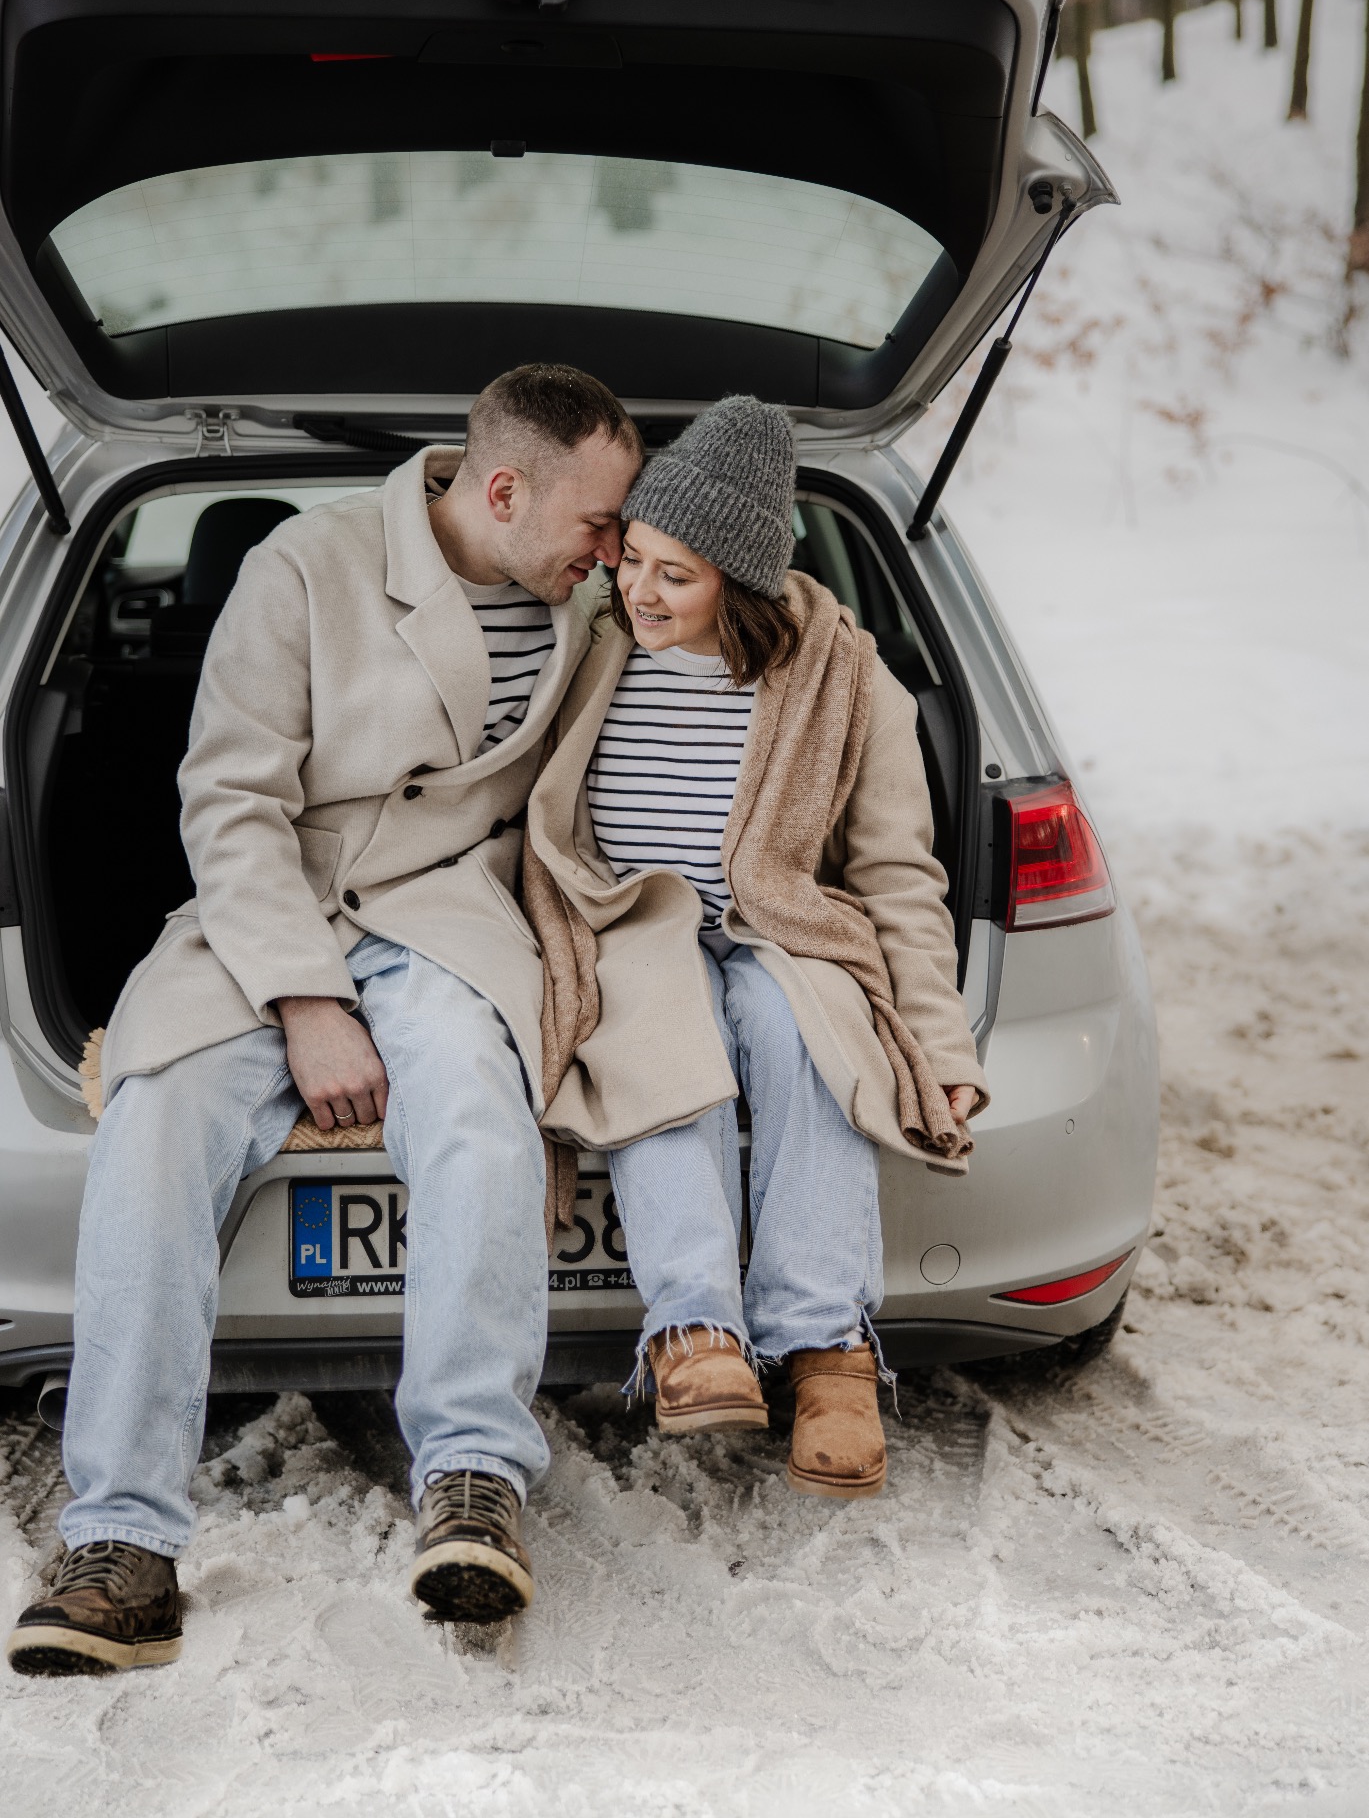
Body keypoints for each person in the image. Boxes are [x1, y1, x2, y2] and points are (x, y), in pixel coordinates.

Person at [7, 364, 642, 1677]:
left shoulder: (588, 608)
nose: (611, 549)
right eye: (596, 520)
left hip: (449, 916)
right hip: (269, 913)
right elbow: (230, 804)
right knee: (158, 1114)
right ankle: (119, 1541)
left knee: (477, 1108)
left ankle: (473, 1481)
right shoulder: (305, 567)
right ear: (505, 487)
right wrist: (307, 999)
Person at [522, 396, 987, 1499]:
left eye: (672, 575)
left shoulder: (849, 683)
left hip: (781, 933)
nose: (637, 589)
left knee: (799, 1030)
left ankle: (827, 1350)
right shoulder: (585, 642)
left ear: (741, 580)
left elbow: (895, 876)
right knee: (663, 1033)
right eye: (630, 557)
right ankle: (693, 1327)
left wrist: (942, 1044)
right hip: (630, 926)